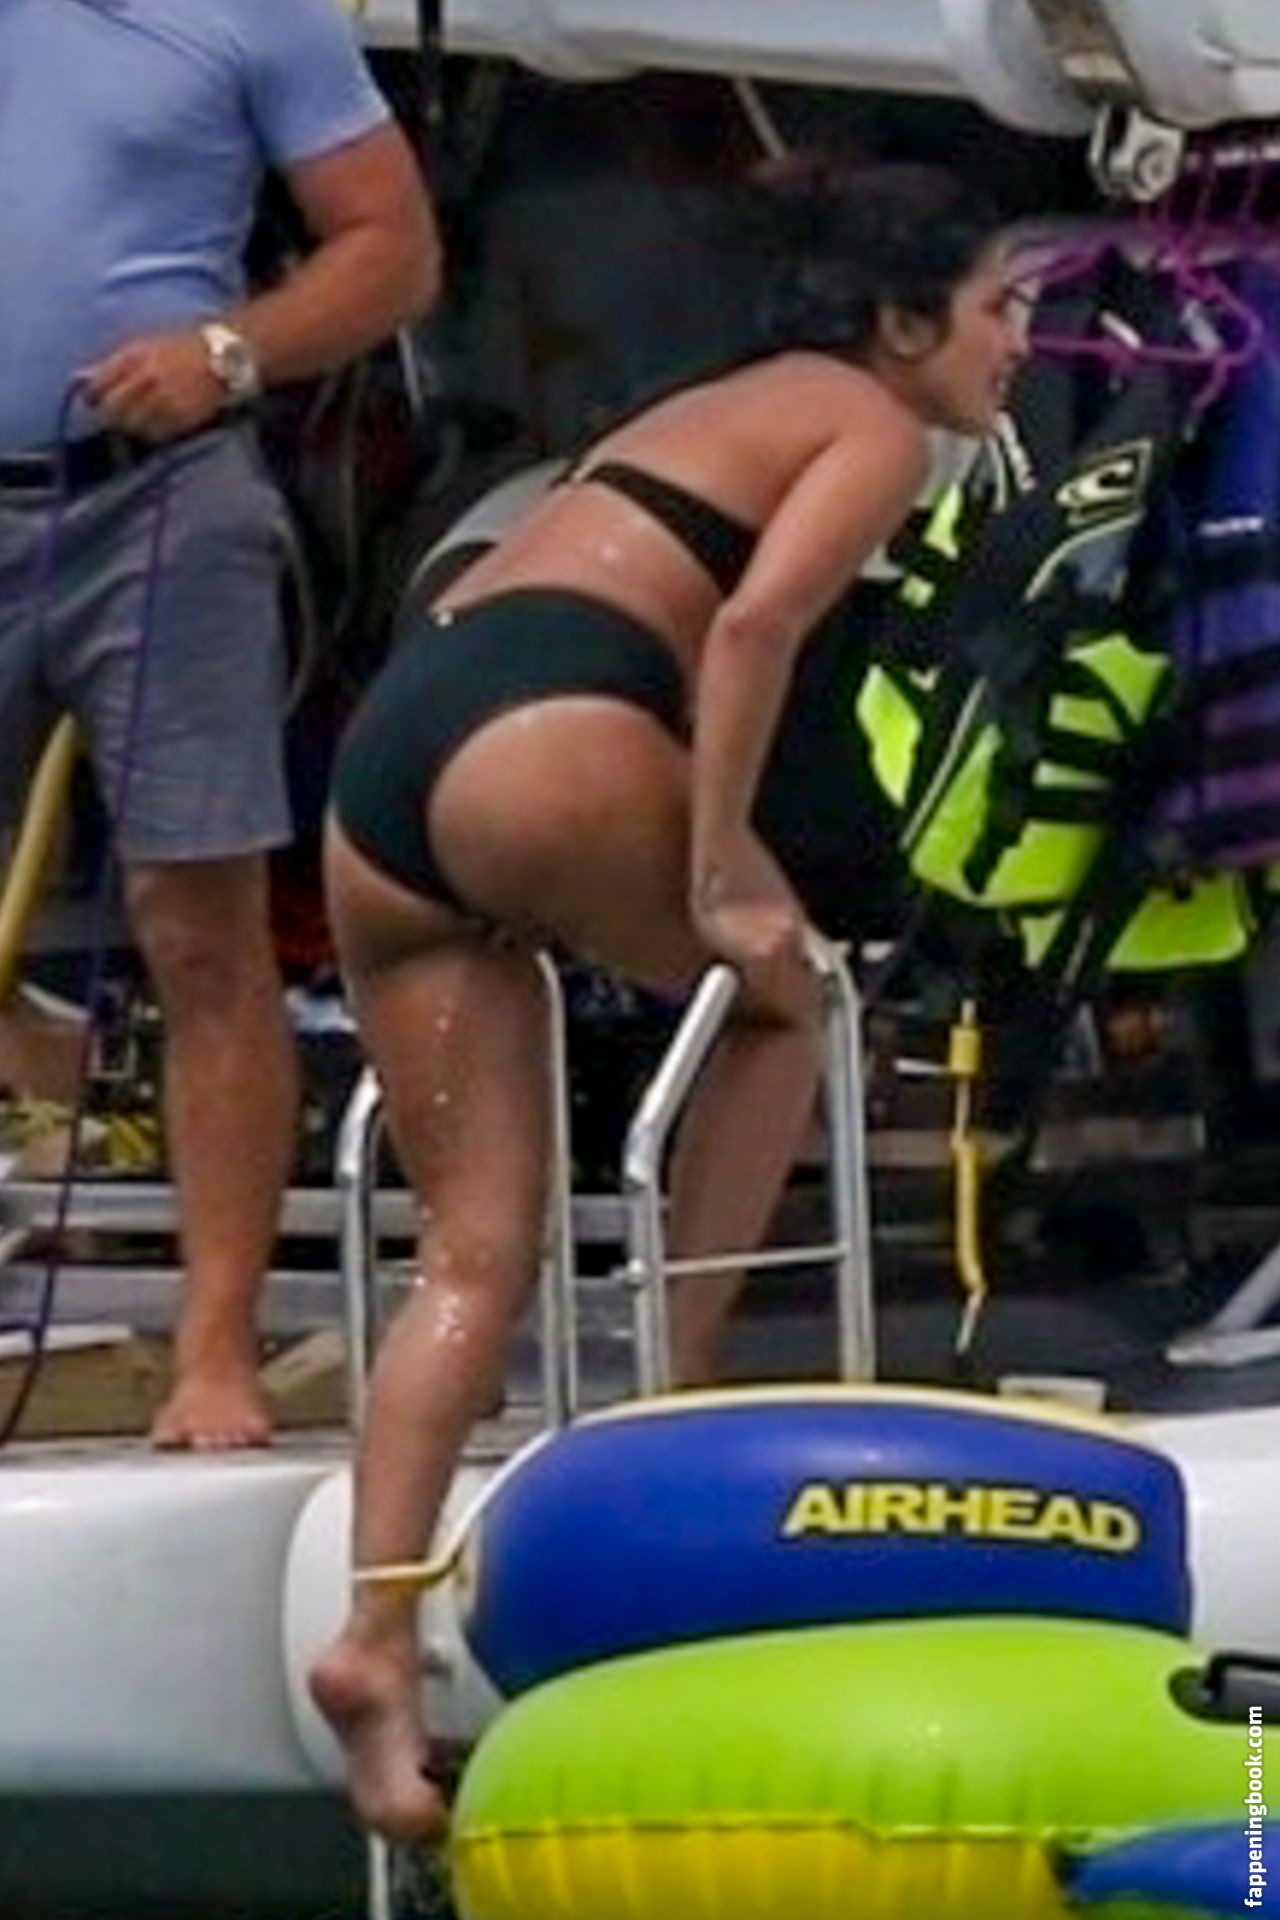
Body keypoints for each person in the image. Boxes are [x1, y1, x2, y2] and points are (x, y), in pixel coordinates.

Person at [309, 162, 1028, 1838]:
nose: (1020, 342)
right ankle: (671, 1406)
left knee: (472, 1254)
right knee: (793, 1000)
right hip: (555, 719)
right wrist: (719, 869)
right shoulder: (866, 422)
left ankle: (372, 1642)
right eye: (999, 307)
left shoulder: (712, 401)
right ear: (899, 321)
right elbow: (755, 632)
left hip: (402, 747)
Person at [0, 0, 441, 1447]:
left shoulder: (253, 10)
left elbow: (392, 247)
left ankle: (213, 1349)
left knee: (200, 925)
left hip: (160, 491)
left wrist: (230, 348)